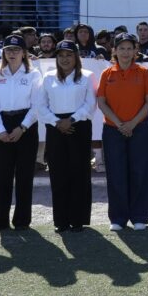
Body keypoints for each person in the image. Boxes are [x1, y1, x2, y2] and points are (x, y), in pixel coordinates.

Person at [96, 32, 148, 231]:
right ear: (114, 50)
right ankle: (118, 218)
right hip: (113, 130)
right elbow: (101, 102)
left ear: (135, 51)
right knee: (116, 173)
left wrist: (131, 124)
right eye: (121, 48)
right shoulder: (107, 74)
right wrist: (120, 124)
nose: (125, 52)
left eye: (130, 48)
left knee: (140, 172)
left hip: (139, 128)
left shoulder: (143, 72)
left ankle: (140, 216)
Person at [0, 34, 43, 232]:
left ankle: (22, 219)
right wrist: (0, 130)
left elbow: (37, 105)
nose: (12, 53)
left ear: (24, 53)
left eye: (16, 50)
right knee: (1, 175)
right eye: (8, 50)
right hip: (2, 124)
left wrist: (22, 127)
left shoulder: (33, 74)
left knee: (24, 174)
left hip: (26, 124)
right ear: (3, 53)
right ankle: (2, 217)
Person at [39, 40, 96, 232]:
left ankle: (78, 220)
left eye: (69, 55)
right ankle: (61, 221)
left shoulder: (87, 76)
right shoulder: (48, 77)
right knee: (58, 173)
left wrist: (71, 120)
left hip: (79, 126)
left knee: (79, 173)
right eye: (61, 55)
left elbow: (90, 104)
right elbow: (41, 105)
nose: (65, 59)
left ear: (76, 57)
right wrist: (57, 122)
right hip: (55, 127)